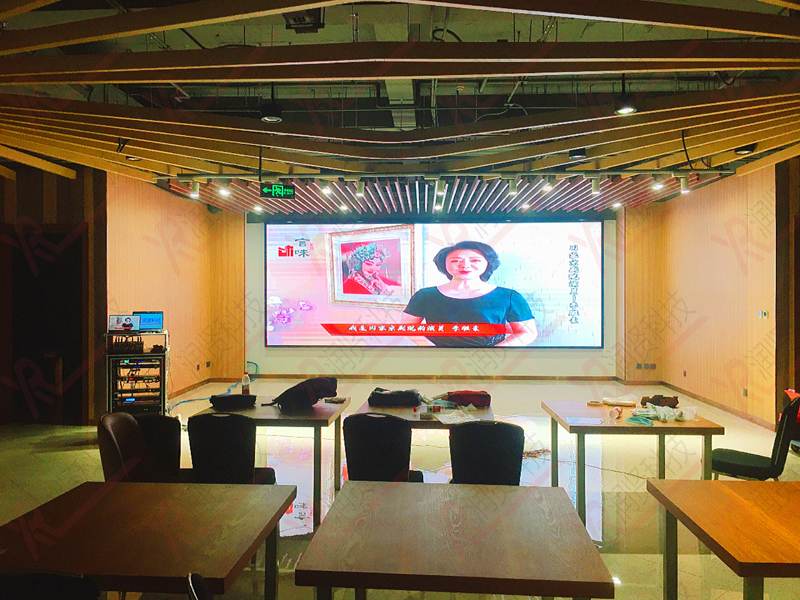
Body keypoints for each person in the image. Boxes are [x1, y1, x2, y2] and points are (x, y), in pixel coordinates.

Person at [401, 240, 537, 347]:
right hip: (438, 361)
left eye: (474, 260)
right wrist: (432, 350)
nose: (465, 265)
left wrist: (495, 352)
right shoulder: (425, 295)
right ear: (444, 264)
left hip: (488, 363)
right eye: (455, 260)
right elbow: (408, 327)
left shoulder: (509, 297)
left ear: (488, 263)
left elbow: (527, 332)